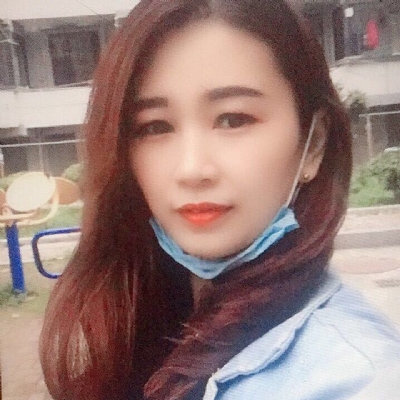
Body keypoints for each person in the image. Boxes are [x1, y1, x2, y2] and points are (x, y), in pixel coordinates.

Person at [39, 1, 400, 399]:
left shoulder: (358, 379)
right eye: (155, 127)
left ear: (313, 144)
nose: (192, 169)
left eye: (233, 119)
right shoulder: (137, 326)